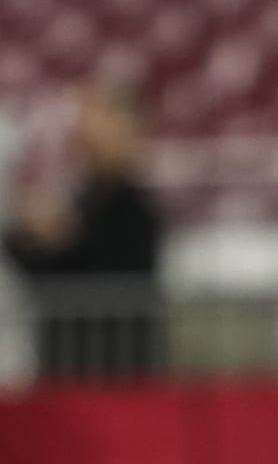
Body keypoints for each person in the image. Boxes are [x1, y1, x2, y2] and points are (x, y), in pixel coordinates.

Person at [2, 81, 165, 379]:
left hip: (118, 374)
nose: (83, 129)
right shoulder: (82, 203)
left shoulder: (133, 213)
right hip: (71, 375)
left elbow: (89, 264)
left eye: (101, 114)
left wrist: (54, 236)